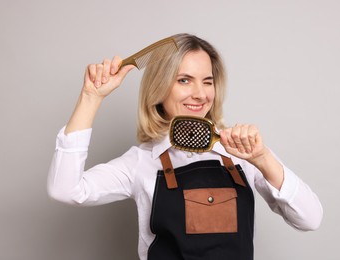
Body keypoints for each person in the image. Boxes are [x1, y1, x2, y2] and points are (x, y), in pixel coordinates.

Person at [48, 33, 323, 260]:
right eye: (184, 80)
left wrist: (262, 159)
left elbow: (310, 219)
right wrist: (90, 97)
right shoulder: (141, 162)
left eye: (207, 81)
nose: (200, 94)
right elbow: (66, 190)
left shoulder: (243, 152)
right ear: (159, 88)